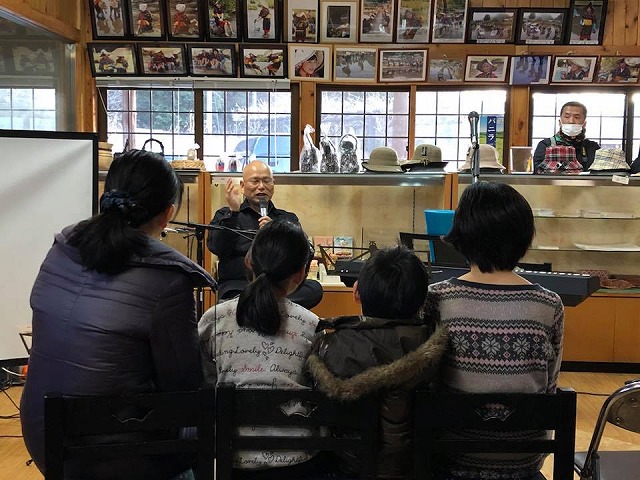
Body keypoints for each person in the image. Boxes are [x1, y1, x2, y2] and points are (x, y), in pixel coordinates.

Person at [20, 150, 216, 480]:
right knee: (207, 417)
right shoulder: (168, 278)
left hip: (43, 435)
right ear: (168, 214)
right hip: (111, 456)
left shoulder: (62, 248)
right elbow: (184, 387)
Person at [429, 181, 565, 480]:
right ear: (524, 237)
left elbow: (426, 382)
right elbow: (549, 387)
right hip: (524, 460)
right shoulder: (549, 304)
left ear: (462, 234)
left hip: (452, 457)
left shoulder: (436, 298)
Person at [307, 247, 448, 478]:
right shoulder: (435, 346)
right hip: (418, 468)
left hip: (346, 468)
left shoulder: (332, 347)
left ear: (356, 292)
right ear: (422, 301)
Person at [199, 220, 322, 475]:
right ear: (301, 274)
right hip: (297, 460)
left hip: (232, 458)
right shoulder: (312, 325)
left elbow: (201, 380)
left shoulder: (215, 318)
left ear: (248, 261)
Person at [207, 160, 322, 308]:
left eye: (266, 181)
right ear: (242, 186)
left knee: (314, 289)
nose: (261, 186)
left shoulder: (287, 218)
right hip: (239, 285)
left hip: (280, 284)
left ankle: (261, 303)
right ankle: (270, 303)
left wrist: (276, 231)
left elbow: (303, 252)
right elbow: (217, 248)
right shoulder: (226, 214)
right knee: (234, 294)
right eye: (255, 181)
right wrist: (233, 213)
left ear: (273, 184)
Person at [533, 101, 600, 173]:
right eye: (567, 117)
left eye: (577, 117)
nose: (571, 121)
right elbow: (538, 172)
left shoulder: (592, 147)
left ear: (584, 124)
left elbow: (598, 174)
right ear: (560, 122)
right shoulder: (546, 145)